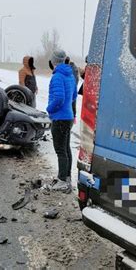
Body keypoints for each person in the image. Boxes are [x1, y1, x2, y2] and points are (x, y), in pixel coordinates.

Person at [46, 50, 77, 193]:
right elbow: (74, 95)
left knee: (60, 150)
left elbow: (59, 98)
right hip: (68, 116)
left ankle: (62, 180)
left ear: (54, 61)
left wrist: (50, 109)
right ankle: (67, 177)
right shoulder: (70, 74)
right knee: (66, 148)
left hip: (60, 118)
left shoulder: (58, 76)